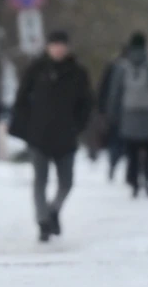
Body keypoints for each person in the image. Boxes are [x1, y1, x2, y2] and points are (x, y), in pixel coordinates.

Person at [9, 30, 92, 242]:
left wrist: (78, 126)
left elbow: (87, 103)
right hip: (39, 136)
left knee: (67, 182)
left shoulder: (77, 72)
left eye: (62, 45)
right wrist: (27, 127)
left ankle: (53, 210)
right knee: (40, 181)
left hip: (67, 136)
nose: (58, 49)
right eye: (54, 45)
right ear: (48, 47)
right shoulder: (36, 70)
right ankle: (43, 222)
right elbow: (21, 100)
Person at [107, 32, 148, 198]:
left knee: (132, 151)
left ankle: (134, 182)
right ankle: (147, 178)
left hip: (128, 116)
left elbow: (115, 92)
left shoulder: (121, 67)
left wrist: (112, 113)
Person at [97, 46, 128, 181]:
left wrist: (102, 108)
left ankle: (113, 164)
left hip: (115, 112)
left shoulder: (112, 67)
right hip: (133, 113)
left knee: (115, 141)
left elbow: (103, 89)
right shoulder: (142, 67)